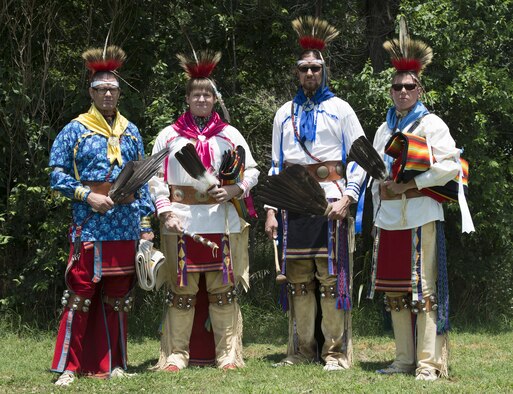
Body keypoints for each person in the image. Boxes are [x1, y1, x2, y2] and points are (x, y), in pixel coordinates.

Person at [368, 21, 473, 381]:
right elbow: (378, 168)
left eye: (408, 86)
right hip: (389, 219)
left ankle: (427, 363)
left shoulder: (431, 124)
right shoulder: (384, 128)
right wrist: (379, 188)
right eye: (396, 86)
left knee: (423, 291)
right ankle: (403, 359)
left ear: (419, 88)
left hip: (420, 216)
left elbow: (451, 166)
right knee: (396, 291)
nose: (401, 92)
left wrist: (410, 188)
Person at [264, 17, 366, 372]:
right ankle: (301, 350)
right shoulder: (283, 114)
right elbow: (275, 166)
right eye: (304, 68)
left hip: (330, 200)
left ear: (324, 71)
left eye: (316, 68)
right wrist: (270, 210)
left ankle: (335, 353)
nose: (310, 73)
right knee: (298, 281)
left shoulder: (341, 109)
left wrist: (348, 197)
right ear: (297, 72)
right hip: (292, 204)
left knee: (330, 279)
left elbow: (362, 158)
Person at [49, 46, 154, 386]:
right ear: (91, 93)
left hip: (124, 224)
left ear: (120, 93)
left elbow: (144, 179)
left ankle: (116, 363)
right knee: (79, 293)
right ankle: (69, 367)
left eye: (113, 88)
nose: (108, 93)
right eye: (101, 89)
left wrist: (146, 224)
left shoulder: (132, 132)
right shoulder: (74, 130)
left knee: (120, 297)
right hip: (90, 223)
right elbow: (56, 175)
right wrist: (87, 195)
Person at [149, 50, 259, 371]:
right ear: (187, 98)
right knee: (181, 291)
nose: (201, 98)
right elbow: (155, 179)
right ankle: (175, 355)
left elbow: (251, 170)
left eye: (207, 93)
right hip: (179, 221)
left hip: (219, 220)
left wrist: (236, 189)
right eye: (196, 93)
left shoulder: (229, 135)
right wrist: (164, 210)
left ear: (214, 98)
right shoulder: (168, 137)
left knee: (222, 291)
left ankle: (227, 356)